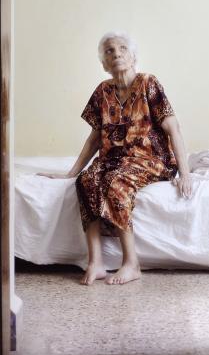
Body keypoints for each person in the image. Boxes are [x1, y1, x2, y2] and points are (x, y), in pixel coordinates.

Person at [38, 31, 193, 285]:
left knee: (115, 183)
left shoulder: (148, 83)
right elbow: (94, 139)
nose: (116, 53)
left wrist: (185, 174)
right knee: (86, 181)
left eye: (122, 48)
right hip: (113, 159)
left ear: (133, 57)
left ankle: (132, 263)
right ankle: (95, 262)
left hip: (151, 158)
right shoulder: (103, 91)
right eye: (109, 51)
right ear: (104, 64)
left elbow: (173, 128)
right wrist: (71, 173)